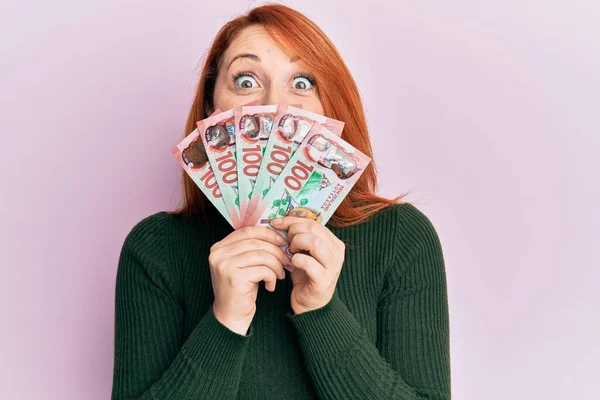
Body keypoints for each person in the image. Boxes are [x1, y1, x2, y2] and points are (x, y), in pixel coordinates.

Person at [111, 4, 451, 399]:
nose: (276, 105)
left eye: (303, 82)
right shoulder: (155, 248)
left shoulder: (401, 237)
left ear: (331, 106)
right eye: (245, 80)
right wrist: (226, 321)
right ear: (211, 108)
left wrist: (320, 310)